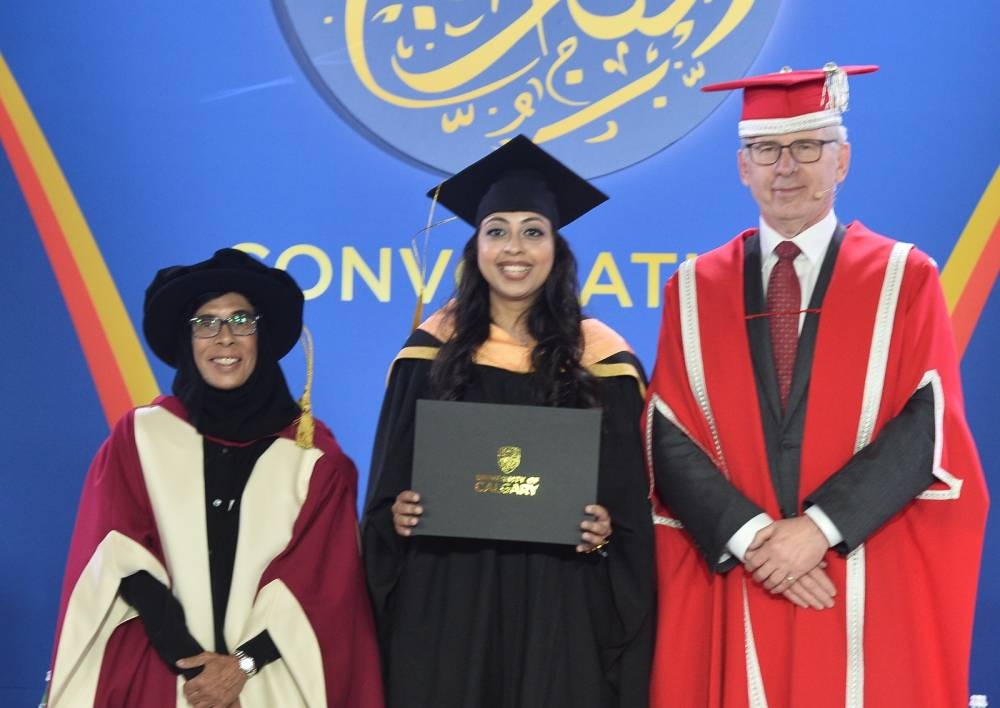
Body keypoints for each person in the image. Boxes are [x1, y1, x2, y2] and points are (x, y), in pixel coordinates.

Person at [644, 63, 989, 707]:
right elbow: (666, 431)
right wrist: (754, 539)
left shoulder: (903, 277)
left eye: (808, 146)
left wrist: (819, 529)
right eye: (767, 149)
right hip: (743, 572)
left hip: (858, 569)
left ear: (843, 160)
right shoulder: (694, 288)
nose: (787, 167)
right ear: (742, 166)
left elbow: (928, 423)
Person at [362, 135, 654, 708]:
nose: (514, 248)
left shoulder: (602, 360)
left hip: (561, 604)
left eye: (532, 231)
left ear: (556, 247)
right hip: (447, 599)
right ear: (475, 247)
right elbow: (384, 496)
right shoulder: (428, 355)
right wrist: (395, 516)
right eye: (496, 230)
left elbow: (630, 512)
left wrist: (605, 532)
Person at [44, 248, 383, 707]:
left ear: (260, 336)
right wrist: (194, 662)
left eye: (241, 321)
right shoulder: (142, 437)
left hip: (267, 678)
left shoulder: (312, 457)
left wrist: (240, 666)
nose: (224, 338)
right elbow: (120, 553)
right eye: (206, 323)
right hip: (164, 671)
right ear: (188, 340)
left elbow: (324, 584)